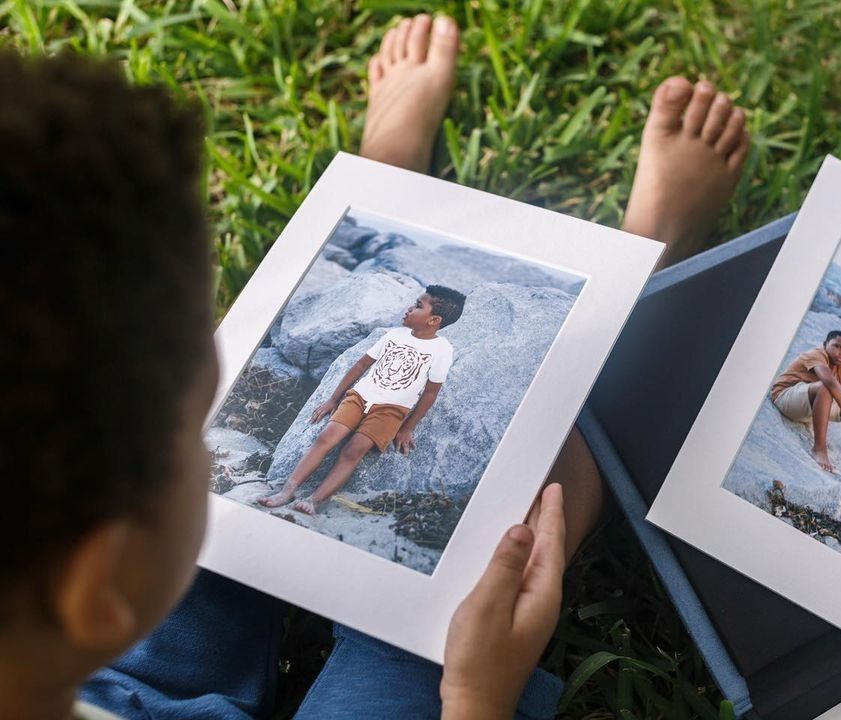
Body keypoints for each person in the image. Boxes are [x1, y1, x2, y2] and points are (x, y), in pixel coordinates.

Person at [0, 10, 751, 720]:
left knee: (208, 572)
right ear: (97, 578)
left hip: (103, 674)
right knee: (499, 545)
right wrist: (474, 699)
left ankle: (380, 180)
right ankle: (641, 265)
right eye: (188, 418)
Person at [257, 286, 465, 515]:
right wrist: (333, 399)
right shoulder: (394, 335)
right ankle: (287, 491)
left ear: (434, 320)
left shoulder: (442, 350)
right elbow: (361, 365)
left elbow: (430, 393)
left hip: (391, 410)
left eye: (418, 306)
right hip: (360, 397)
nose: (409, 308)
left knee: (353, 451)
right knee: (326, 437)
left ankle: (315, 500)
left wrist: (407, 428)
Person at [770, 330, 841, 481]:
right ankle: (819, 449)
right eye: (837, 346)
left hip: (816, 406)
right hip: (787, 398)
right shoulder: (817, 354)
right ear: (824, 345)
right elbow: (829, 382)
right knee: (826, 387)